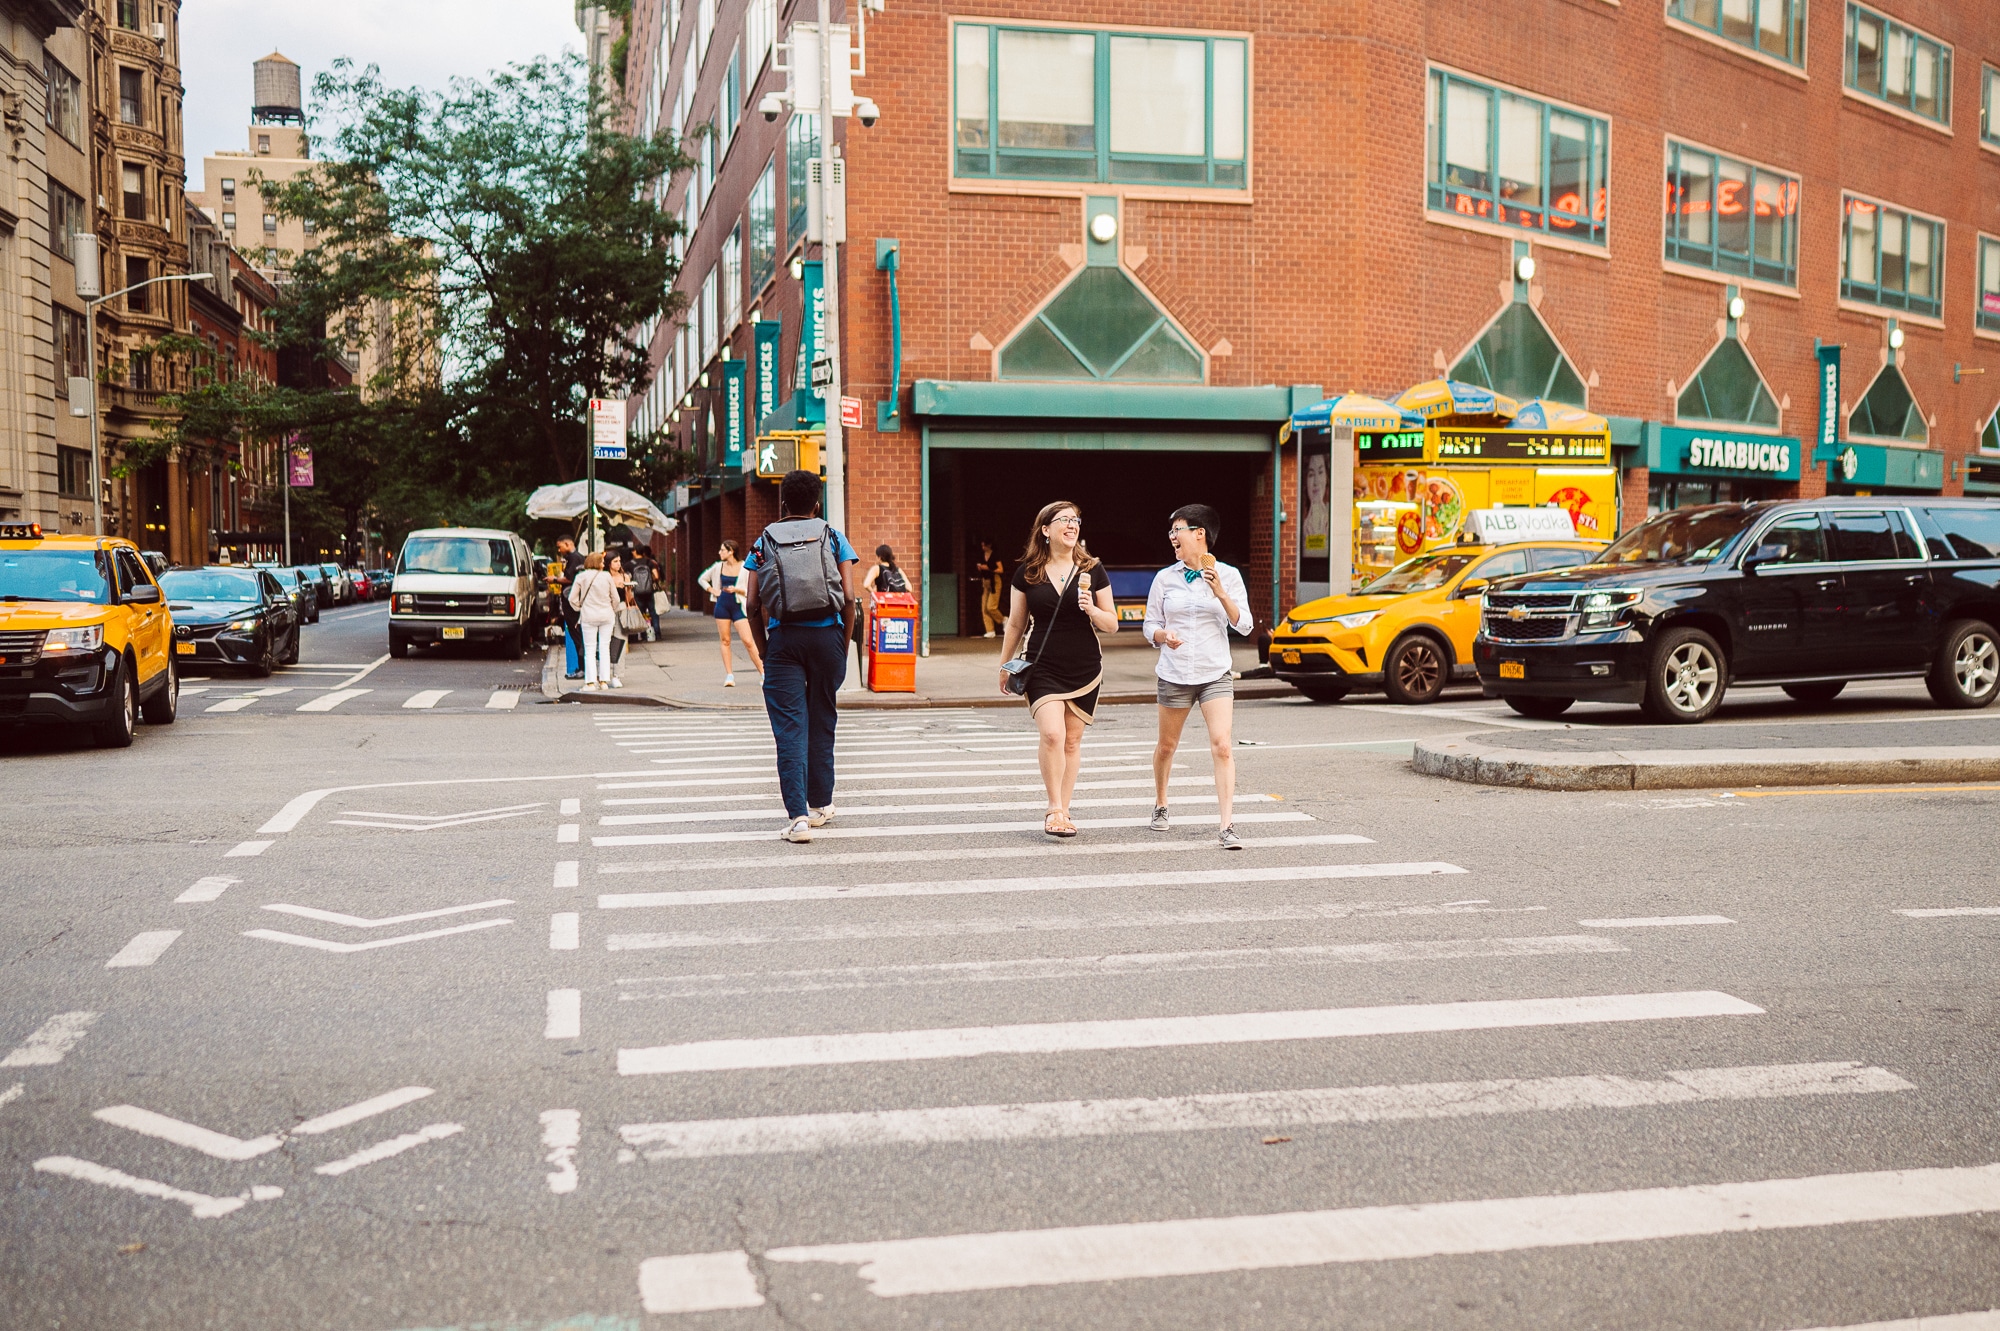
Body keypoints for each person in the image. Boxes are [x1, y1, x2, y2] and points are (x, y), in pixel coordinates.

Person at [743, 470, 861, 843]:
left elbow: (751, 605)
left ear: (783, 504)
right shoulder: (833, 536)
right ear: (817, 504)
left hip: (784, 641)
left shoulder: (763, 541)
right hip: (828, 638)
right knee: (822, 720)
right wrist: (843, 643)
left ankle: (798, 819)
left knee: (790, 728)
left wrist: (765, 651)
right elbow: (849, 598)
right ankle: (822, 804)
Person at [997, 501, 1119, 838]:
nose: (1072, 524)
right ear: (1046, 529)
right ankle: (1054, 808)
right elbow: (1015, 624)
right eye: (1064, 519)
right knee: (1053, 734)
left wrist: (1092, 610)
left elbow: (1112, 624)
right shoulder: (1027, 572)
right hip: (1042, 665)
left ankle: (1064, 810)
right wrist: (1005, 665)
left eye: (1076, 519)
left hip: (1084, 667)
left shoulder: (1093, 569)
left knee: (1072, 741)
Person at [1143, 504, 1254, 849]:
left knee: (1222, 745)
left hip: (1214, 672)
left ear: (1199, 533)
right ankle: (1161, 802)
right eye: (1171, 532)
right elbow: (1150, 624)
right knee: (1167, 746)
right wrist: (1163, 636)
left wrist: (1219, 591)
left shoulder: (1229, 576)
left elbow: (1245, 625)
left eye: (1177, 530)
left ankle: (1226, 825)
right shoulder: (1165, 578)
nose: (1172, 537)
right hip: (1174, 672)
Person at [697, 540, 763, 686]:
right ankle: (729, 675)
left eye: (722, 550)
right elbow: (702, 579)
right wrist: (712, 590)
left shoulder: (744, 567)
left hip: (739, 605)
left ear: (731, 551)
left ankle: (763, 672)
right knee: (725, 640)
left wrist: (737, 589)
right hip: (722, 605)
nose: (719, 553)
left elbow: (751, 589)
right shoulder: (718, 566)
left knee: (748, 641)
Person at [569, 551, 620, 690]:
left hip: (589, 616)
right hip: (606, 615)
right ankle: (604, 681)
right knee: (604, 648)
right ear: (598, 563)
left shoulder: (581, 577)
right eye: (602, 562)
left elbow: (572, 598)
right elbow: (616, 598)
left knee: (590, 650)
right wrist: (611, 609)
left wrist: (580, 608)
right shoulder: (607, 576)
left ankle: (590, 682)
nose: (604, 564)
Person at [857, 545, 909, 676]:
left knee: (881, 641)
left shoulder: (877, 568)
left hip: (883, 609)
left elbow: (866, 584)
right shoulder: (897, 569)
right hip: (898, 610)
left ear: (879, 556)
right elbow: (909, 587)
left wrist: (875, 593)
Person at [553, 537, 583, 678]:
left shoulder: (573, 558)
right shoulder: (578, 557)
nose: (559, 550)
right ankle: (582, 667)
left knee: (576, 634)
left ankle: (582, 668)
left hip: (571, 603)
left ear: (567, 544)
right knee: (577, 634)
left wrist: (554, 579)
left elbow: (569, 578)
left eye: (560, 547)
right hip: (574, 602)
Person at [974, 539, 1005, 638]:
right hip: (985, 581)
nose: (983, 548)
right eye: (982, 546)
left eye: (985, 546)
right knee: (984, 608)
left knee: (991, 607)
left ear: (989, 545)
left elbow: (1001, 569)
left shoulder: (995, 555)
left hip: (994, 581)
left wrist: (988, 568)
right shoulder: (981, 555)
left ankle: (1003, 620)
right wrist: (980, 568)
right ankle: (990, 630)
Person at [629, 547, 660, 640]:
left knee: (640, 613)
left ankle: (642, 634)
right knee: (653, 612)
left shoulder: (630, 564)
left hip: (637, 592)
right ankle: (657, 633)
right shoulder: (649, 562)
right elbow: (656, 576)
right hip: (649, 592)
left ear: (635, 551)